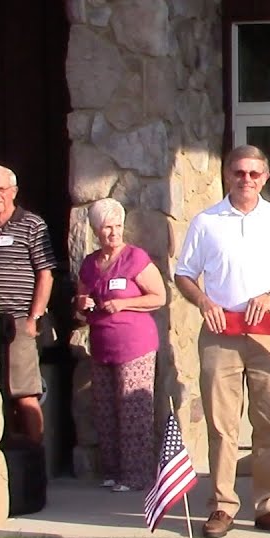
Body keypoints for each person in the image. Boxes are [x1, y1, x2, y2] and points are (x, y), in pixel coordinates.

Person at [174, 145, 270, 538]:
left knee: (269, 424)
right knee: (221, 425)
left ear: (265, 177)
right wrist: (203, 300)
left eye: (253, 173)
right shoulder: (206, 222)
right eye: (239, 172)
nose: (246, 179)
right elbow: (184, 274)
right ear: (227, 175)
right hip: (219, 334)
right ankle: (222, 505)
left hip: (266, 332)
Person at [74, 198, 166, 492]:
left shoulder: (135, 258)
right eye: (106, 228)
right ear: (96, 231)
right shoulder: (90, 263)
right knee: (105, 411)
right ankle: (112, 472)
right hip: (102, 347)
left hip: (135, 345)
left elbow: (159, 297)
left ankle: (137, 476)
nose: (113, 234)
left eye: (117, 227)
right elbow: (80, 304)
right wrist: (81, 304)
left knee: (133, 410)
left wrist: (125, 304)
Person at [0, 165, 57, 447]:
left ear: (13, 191)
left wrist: (34, 318)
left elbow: (45, 273)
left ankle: (35, 458)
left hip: (18, 321)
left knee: (25, 392)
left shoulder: (32, 224)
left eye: (1, 189)